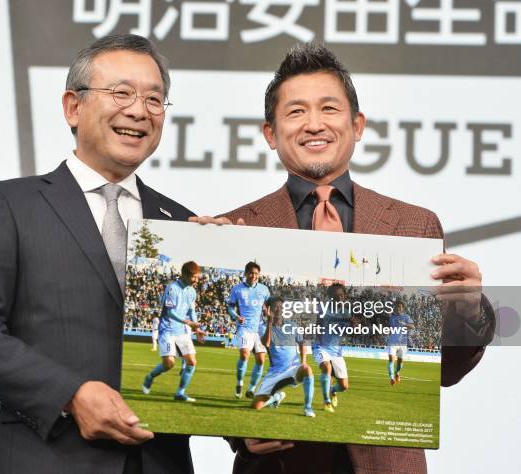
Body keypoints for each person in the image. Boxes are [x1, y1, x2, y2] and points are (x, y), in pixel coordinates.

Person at [193, 41, 493, 473]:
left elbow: (444, 371)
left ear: (357, 125)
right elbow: (222, 362)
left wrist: (470, 311)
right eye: (296, 111)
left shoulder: (415, 225)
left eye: (329, 109)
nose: (314, 124)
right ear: (270, 134)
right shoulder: (232, 229)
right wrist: (237, 430)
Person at [0, 34, 196, 474]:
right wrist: (70, 394)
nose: (139, 111)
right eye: (121, 93)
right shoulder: (9, 205)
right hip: (45, 458)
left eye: (155, 100)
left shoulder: (185, 225)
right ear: (72, 107)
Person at [142, 261, 205, 402]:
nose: (196, 280)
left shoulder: (192, 291)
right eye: (194, 277)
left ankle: (180, 393)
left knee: (192, 362)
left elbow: (191, 311)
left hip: (181, 331)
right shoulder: (172, 288)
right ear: (184, 274)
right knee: (169, 364)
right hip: (168, 329)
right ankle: (150, 377)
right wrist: (187, 322)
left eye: (197, 277)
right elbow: (170, 312)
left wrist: (197, 328)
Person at [252, 297, 315, 418]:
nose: (279, 310)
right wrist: (269, 322)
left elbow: (302, 343)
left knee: (307, 369)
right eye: (276, 307)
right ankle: (276, 397)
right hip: (275, 373)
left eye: (281, 307)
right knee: (256, 406)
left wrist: (303, 362)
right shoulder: (262, 327)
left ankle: (308, 407)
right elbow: (267, 343)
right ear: (269, 309)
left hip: (292, 369)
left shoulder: (292, 325)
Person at [227, 262, 271, 398]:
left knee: (261, 360)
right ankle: (239, 383)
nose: (254, 276)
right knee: (245, 354)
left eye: (256, 273)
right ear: (246, 273)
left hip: (260, 328)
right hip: (244, 327)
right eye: (251, 273)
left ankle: (251, 388)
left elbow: (270, 305)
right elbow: (230, 307)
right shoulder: (237, 289)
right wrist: (236, 316)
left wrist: (267, 312)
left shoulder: (264, 290)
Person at [314, 283, 356, 413]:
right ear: (331, 297)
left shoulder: (347, 313)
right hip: (321, 346)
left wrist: (353, 327)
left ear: (344, 296)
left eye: (341, 295)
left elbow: (346, 332)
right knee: (326, 368)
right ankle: (327, 402)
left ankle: (332, 390)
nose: (339, 298)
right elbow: (318, 327)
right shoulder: (323, 309)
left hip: (336, 350)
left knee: (344, 386)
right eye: (335, 295)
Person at [387, 300, 415, 386]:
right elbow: (389, 328)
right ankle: (391, 378)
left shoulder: (406, 317)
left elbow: (413, 327)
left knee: (400, 361)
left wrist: (404, 324)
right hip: (392, 342)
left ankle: (397, 373)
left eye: (400, 307)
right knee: (391, 359)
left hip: (402, 342)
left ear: (403, 308)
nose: (398, 308)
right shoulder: (392, 317)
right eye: (396, 307)